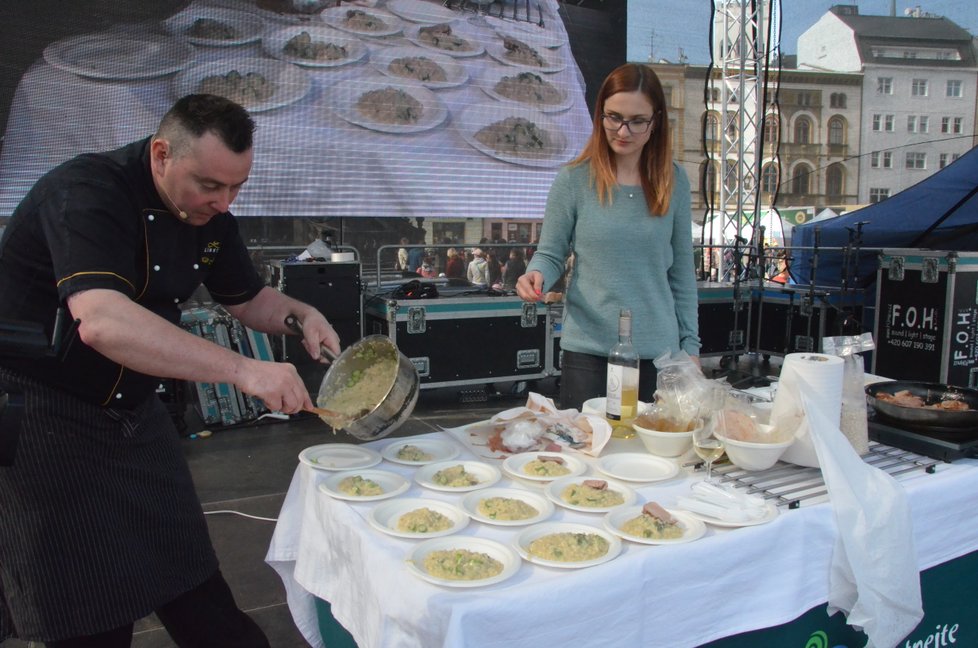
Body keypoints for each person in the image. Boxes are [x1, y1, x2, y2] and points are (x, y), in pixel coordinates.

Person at [0, 94, 341, 647]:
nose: (224, 202)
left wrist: (301, 315)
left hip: (133, 409)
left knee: (189, 569)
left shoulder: (212, 216)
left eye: (236, 188)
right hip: (45, 412)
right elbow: (102, 322)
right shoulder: (87, 191)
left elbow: (247, 297)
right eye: (210, 185)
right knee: (90, 605)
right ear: (161, 154)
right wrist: (243, 370)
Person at [516, 63, 701, 410]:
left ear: (656, 121)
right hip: (588, 353)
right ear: (600, 113)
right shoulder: (573, 180)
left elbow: (682, 274)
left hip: (658, 356)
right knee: (588, 454)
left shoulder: (673, 181)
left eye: (637, 120)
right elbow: (550, 254)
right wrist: (535, 274)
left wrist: (690, 347)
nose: (623, 130)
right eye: (613, 117)